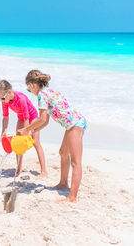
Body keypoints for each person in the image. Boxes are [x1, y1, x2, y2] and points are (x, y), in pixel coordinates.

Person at [18, 70, 87, 203]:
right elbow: (45, 121)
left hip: (75, 124)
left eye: (28, 89)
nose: (30, 91)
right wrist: (32, 131)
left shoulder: (41, 95)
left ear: (32, 85)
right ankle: (63, 183)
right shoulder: (49, 91)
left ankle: (72, 197)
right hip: (71, 124)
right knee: (62, 153)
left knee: (75, 161)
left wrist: (27, 129)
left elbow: (41, 118)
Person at [0, 80, 47, 177]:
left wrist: (27, 131)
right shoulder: (5, 101)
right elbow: (5, 117)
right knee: (18, 144)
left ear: (9, 91)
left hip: (32, 118)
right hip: (21, 118)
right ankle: (18, 170)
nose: (1, 101)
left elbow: (27, 118)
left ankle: (44, 171)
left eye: (2, 98)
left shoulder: (21, 99)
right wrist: (3, 132)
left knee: (36, 142)